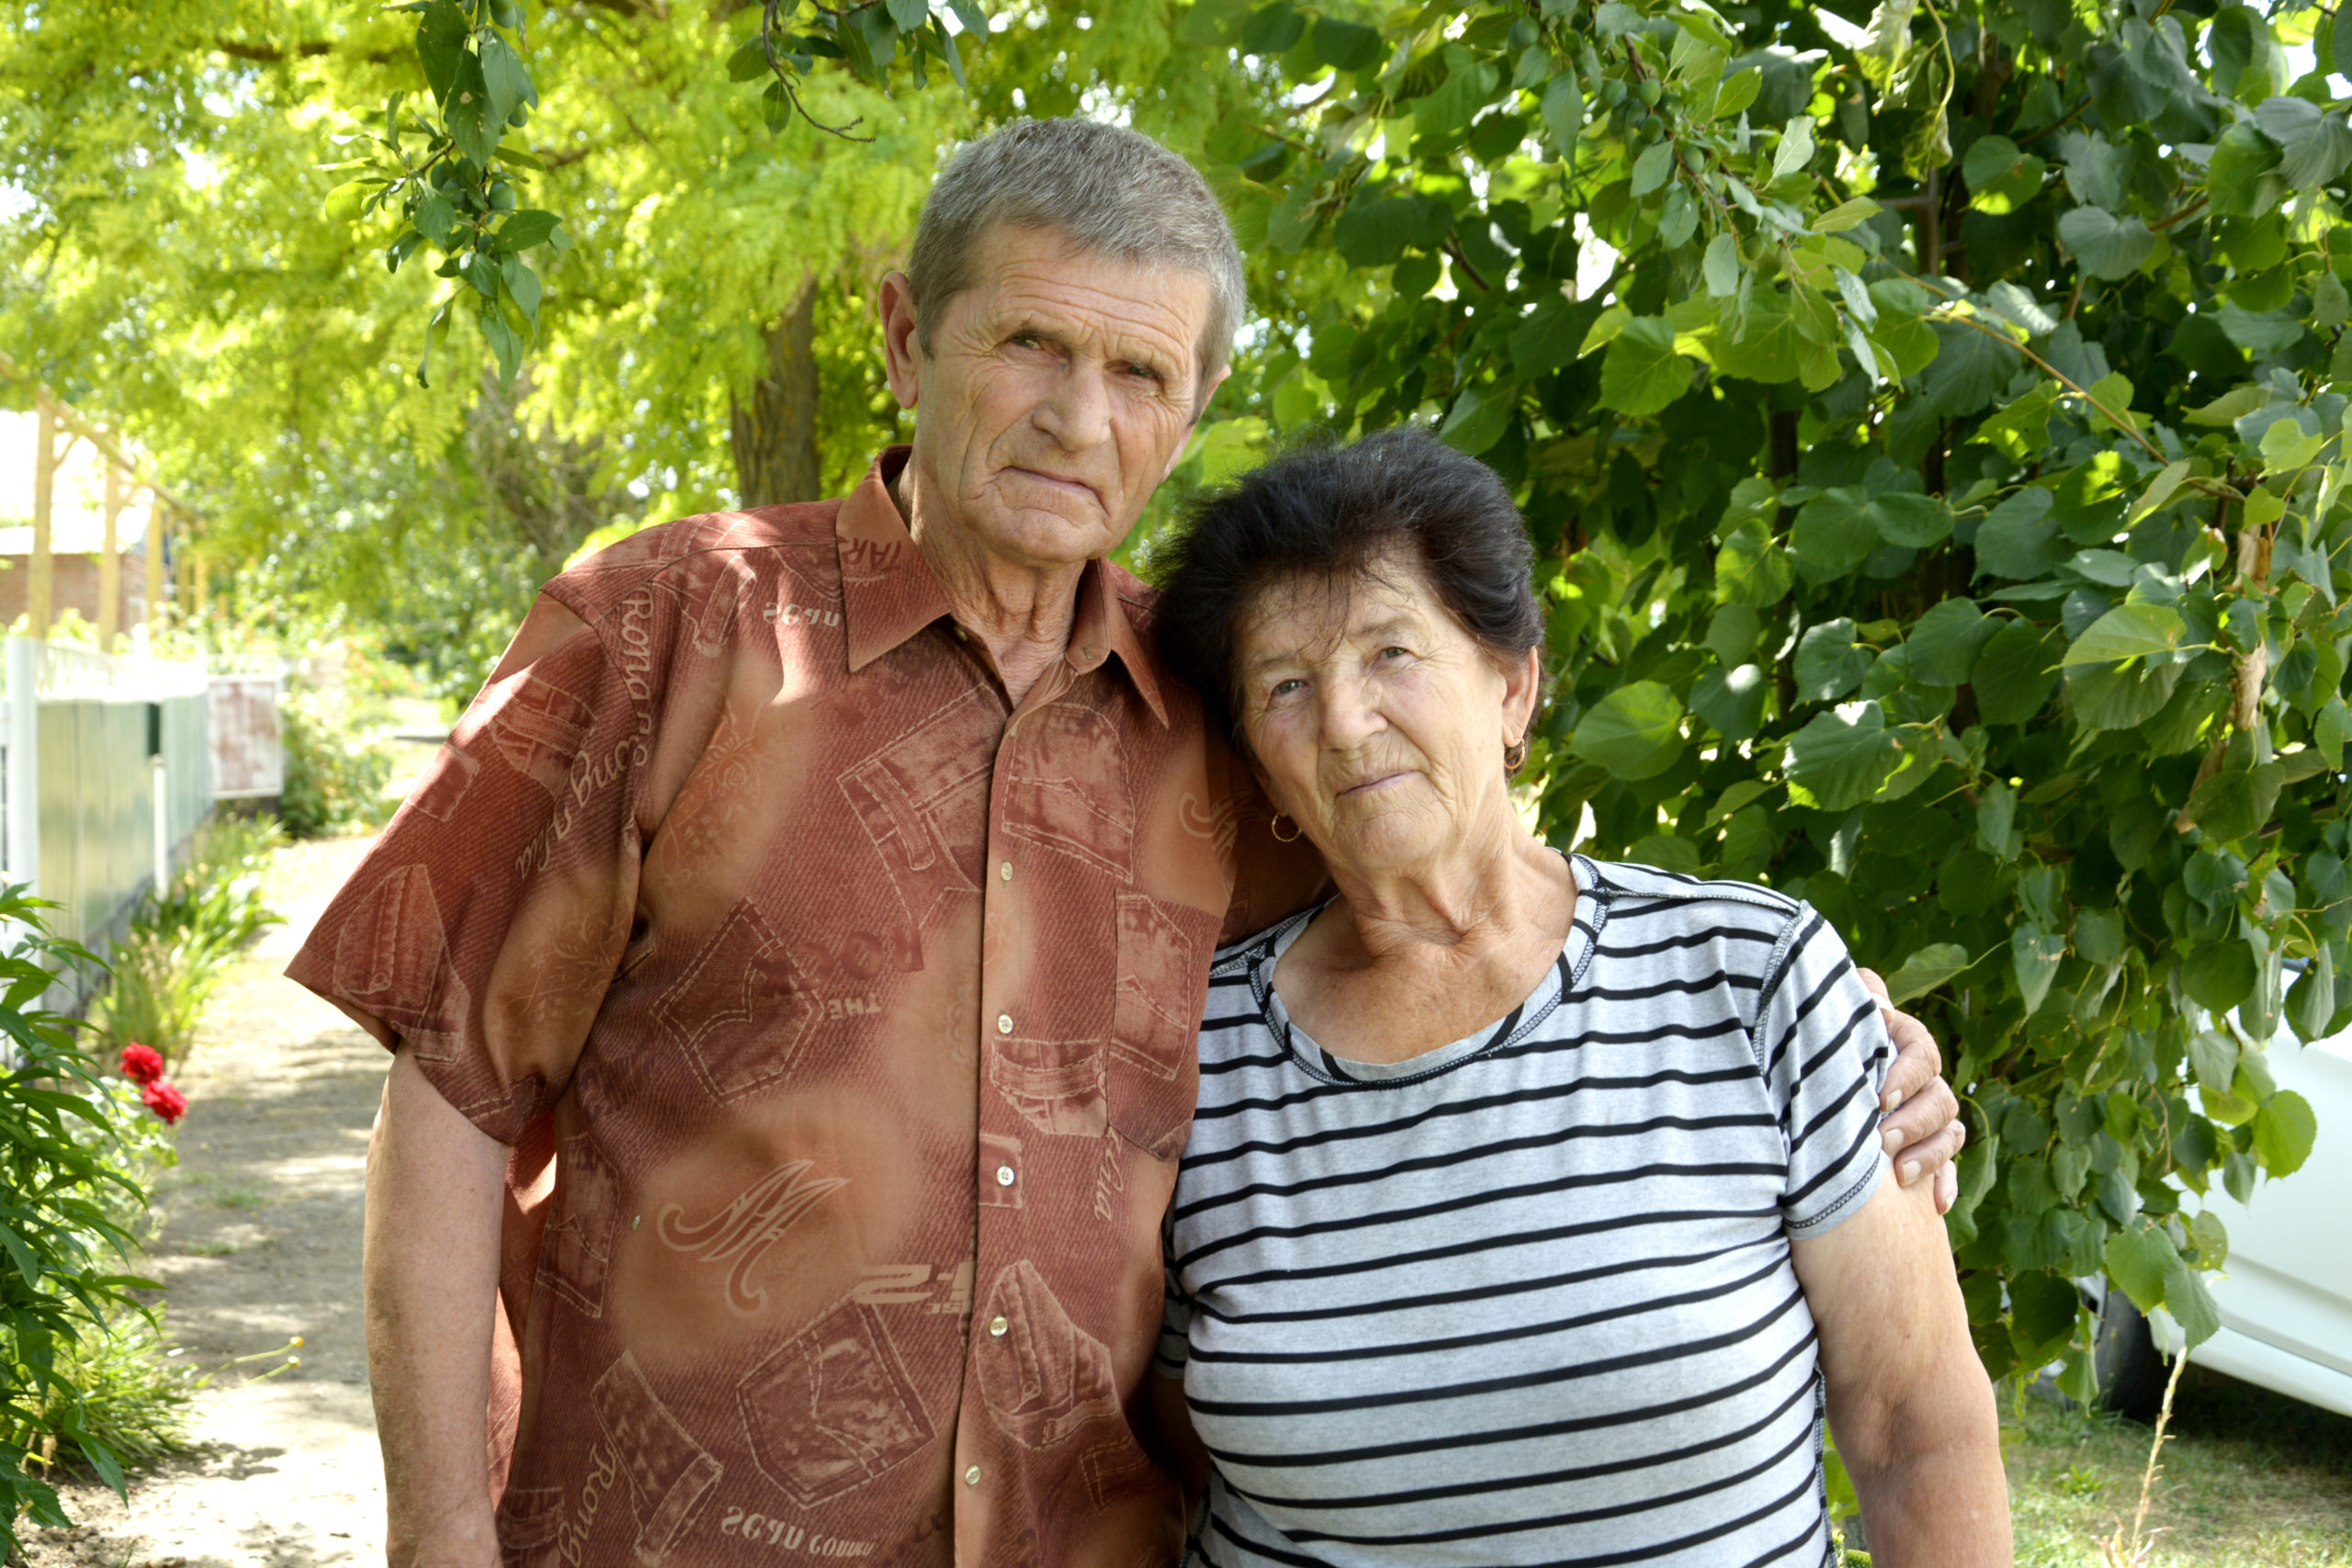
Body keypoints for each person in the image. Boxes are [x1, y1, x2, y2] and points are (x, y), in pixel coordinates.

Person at [288, 120, 1966, 1567]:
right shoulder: (667, 630)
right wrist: (441, 1537)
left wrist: (1838, 1039)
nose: (1077, 417)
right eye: (1030, 342)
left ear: (1194, 402)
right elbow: (449, 1093)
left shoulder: (1220, 715)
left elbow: (1449, 909)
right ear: (906, 339)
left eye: (1140, 372)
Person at [1147, 429, 2007, 1567]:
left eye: (1391, 652)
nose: (1345, 721)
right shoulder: (1188, 1054)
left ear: (1513, 687)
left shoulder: (1750, 975)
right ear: (1258, 763)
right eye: (1286, 686)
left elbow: (1916, 1430)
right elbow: (1165, 1451)